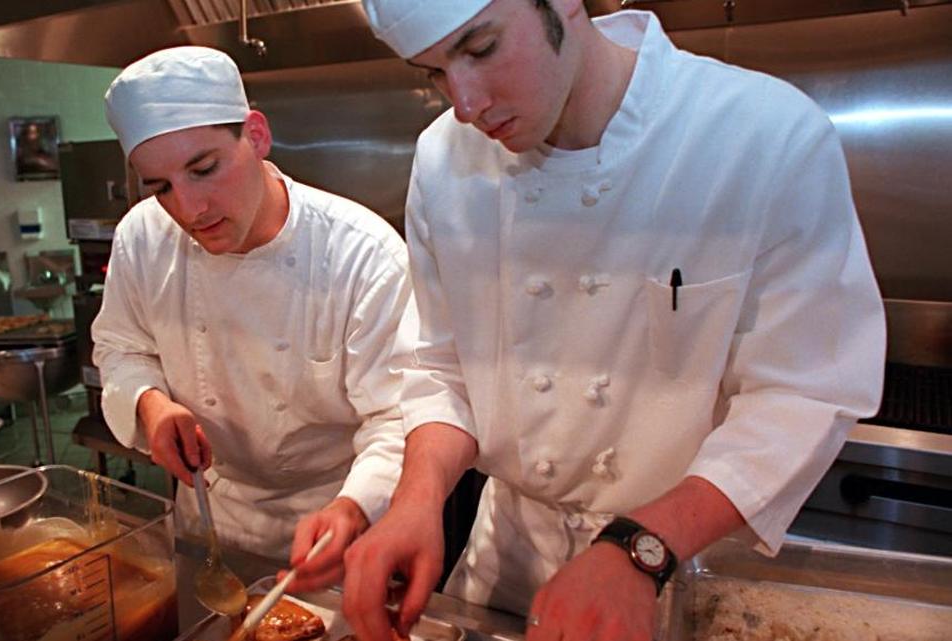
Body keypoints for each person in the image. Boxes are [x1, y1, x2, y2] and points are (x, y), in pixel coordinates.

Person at [341, 2, 886, 640]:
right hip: (507, 564)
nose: (463, 103)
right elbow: (444, 366)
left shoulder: (763, 136)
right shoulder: (443, 160)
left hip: (678, 565)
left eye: (481, 48)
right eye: (433, 70)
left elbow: (803, 391)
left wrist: (640, 548)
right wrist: (418, 496)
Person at [93, 46, 414, 591]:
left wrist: (355, 508)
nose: (191, 209)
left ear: (257, 135)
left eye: (204, 168)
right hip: (210, 517)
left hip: (339, 525)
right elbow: (121, 348)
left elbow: (396, 418)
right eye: (162, 186)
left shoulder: (362, 254)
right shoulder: (143, 237)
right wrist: (151, 406)